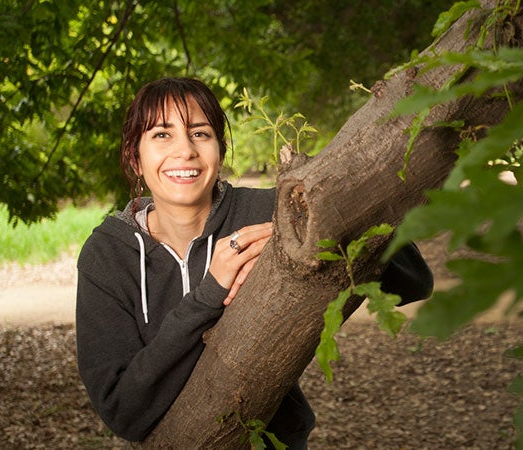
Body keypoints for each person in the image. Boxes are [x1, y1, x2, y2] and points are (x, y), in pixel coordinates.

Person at [75, 77, 433, 448]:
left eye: (200, 134)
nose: (185, 151)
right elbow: (123, 413)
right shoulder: (108, 255)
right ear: (135, 158)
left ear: (220, 150)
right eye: (162, 135)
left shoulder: (267, 212)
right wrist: (209, 293)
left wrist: (323, 227)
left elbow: (413, 281)